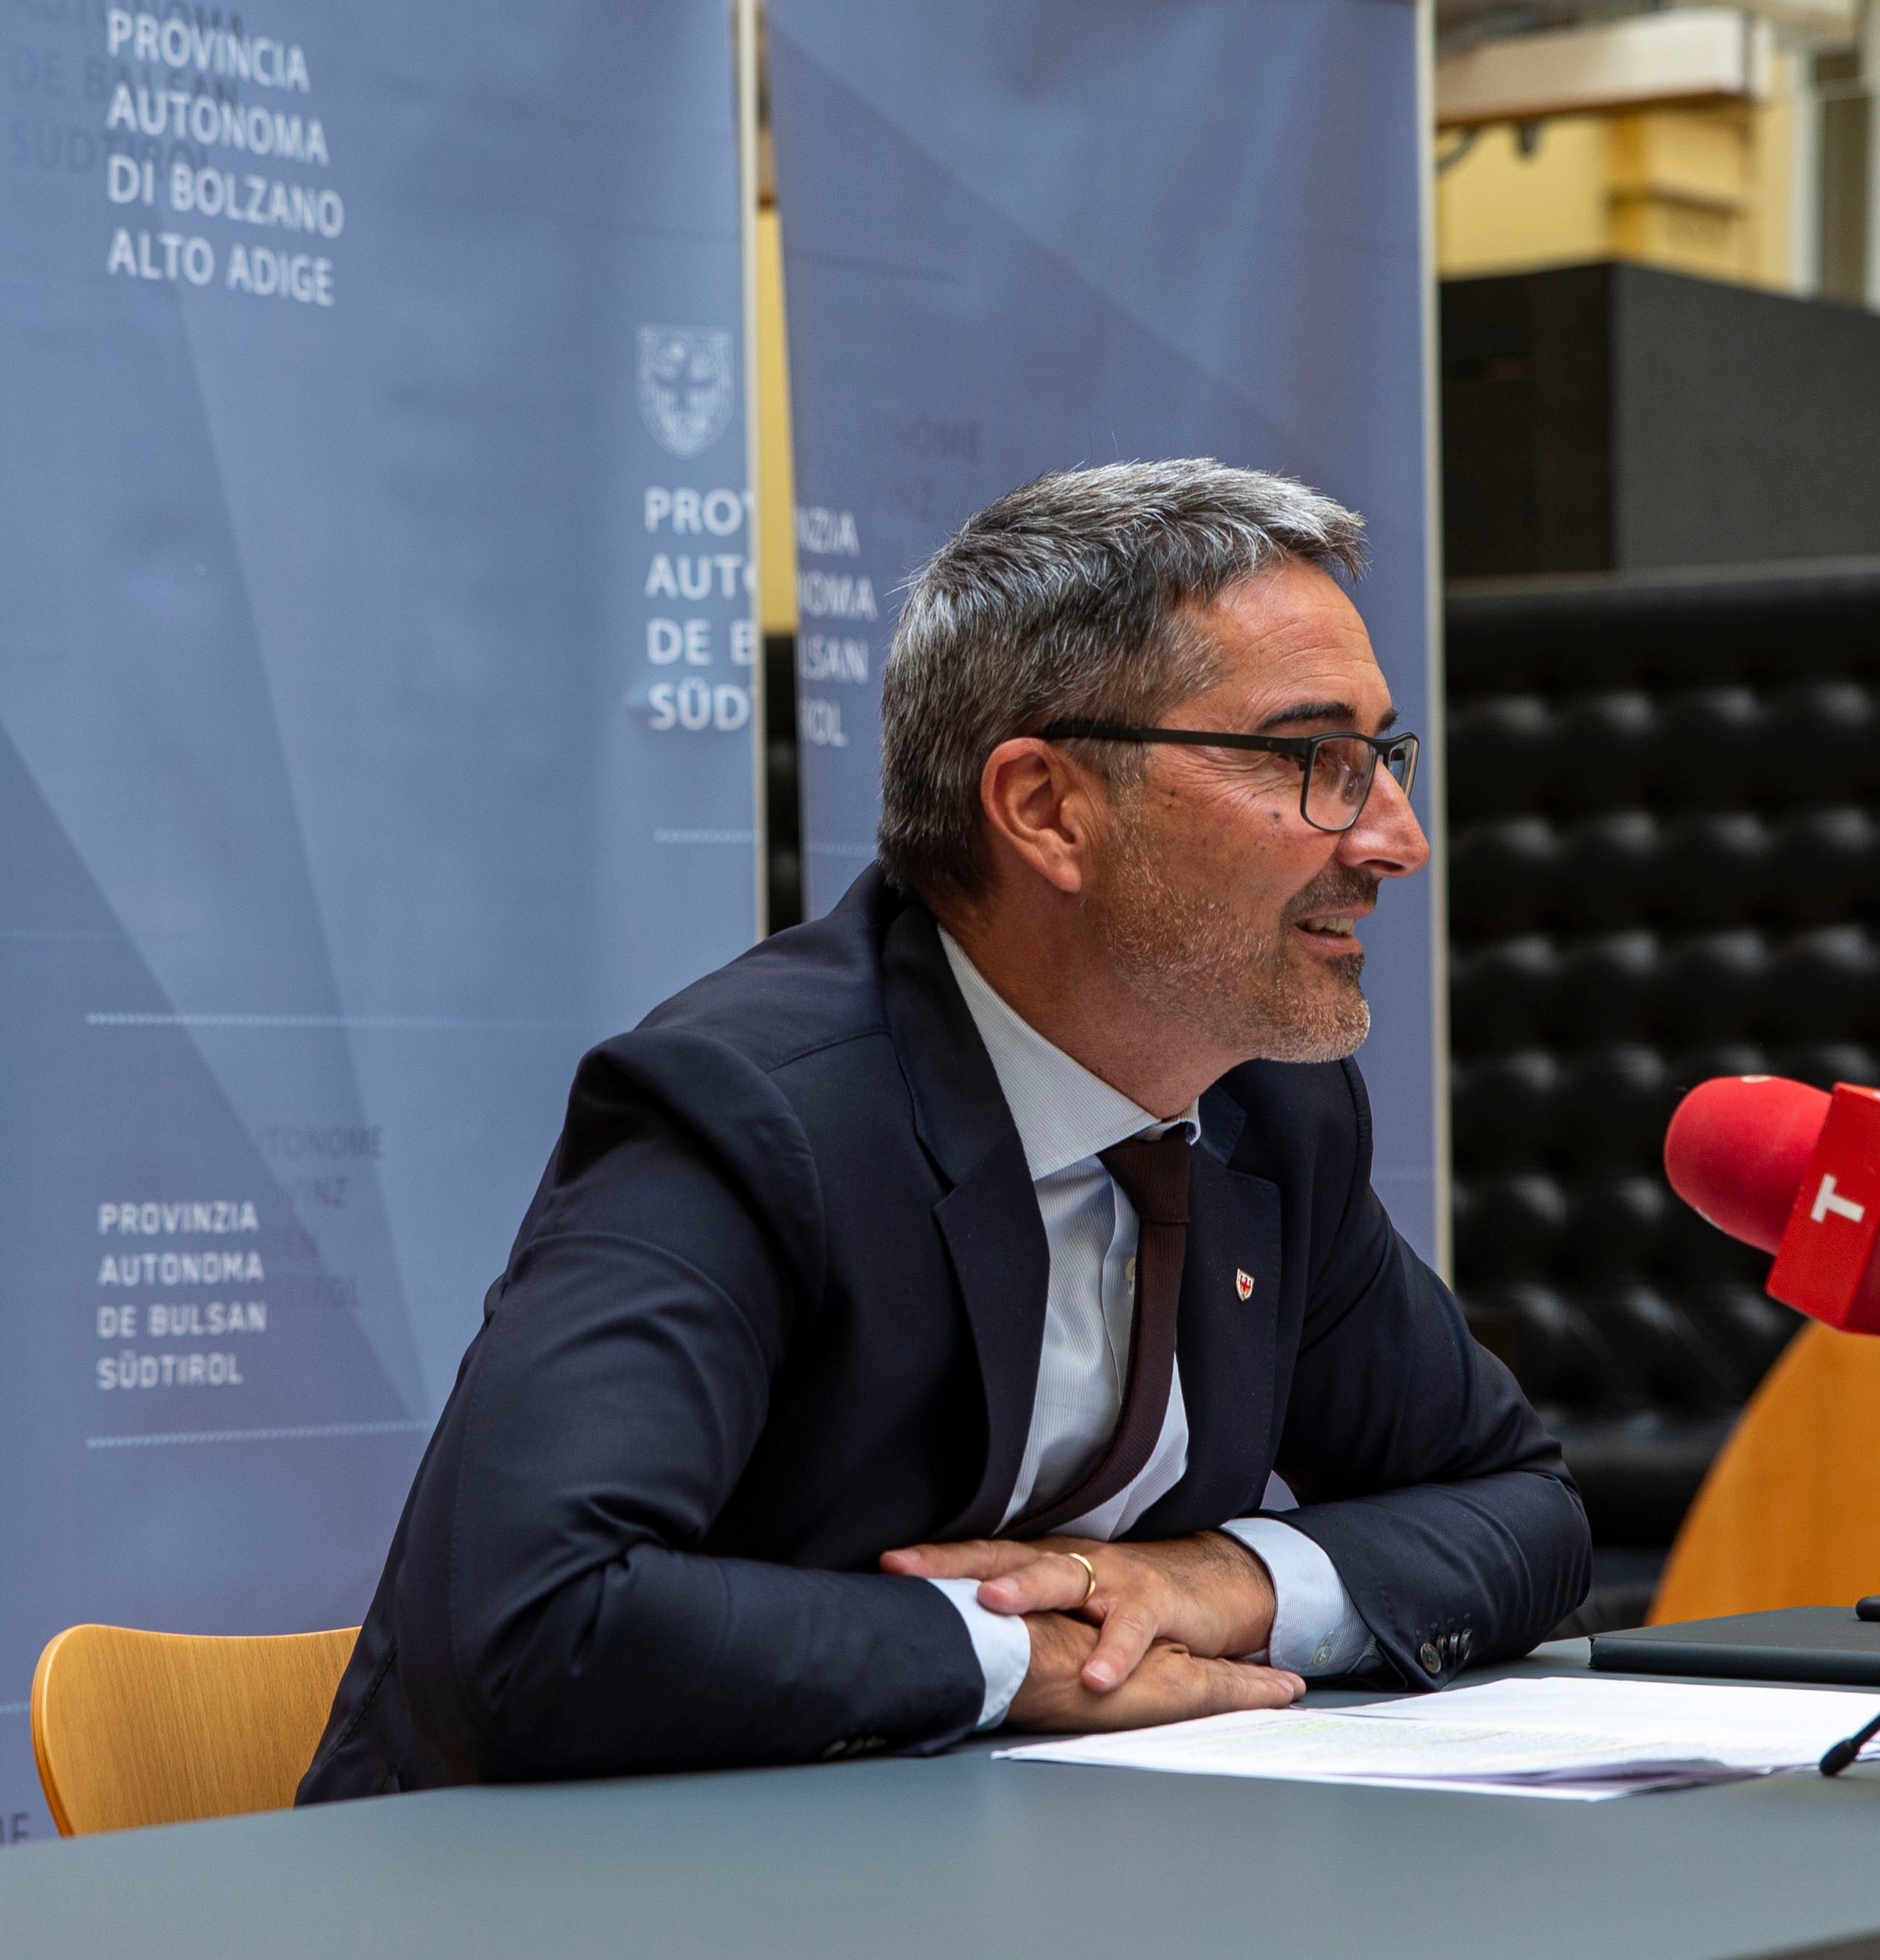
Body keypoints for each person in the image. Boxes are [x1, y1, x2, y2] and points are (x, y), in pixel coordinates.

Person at [297, 459, 1591, 1796]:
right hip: (556, 1932)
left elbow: (1521, 1506)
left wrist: (1216, 1580)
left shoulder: (1270, 1105)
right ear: (1044, 808)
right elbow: (535, 1621)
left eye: (1383, 757)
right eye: (1308, 760)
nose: (1395, 837)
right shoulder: (754, 1110)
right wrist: (1013, 1654)